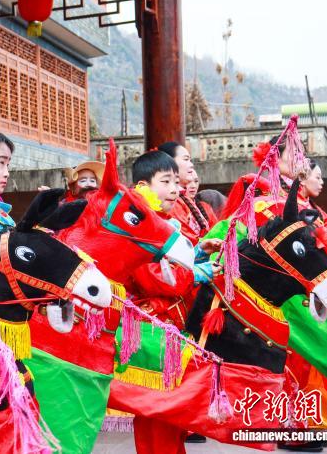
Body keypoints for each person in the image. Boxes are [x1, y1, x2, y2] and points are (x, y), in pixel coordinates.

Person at [126, 150, 222, 454]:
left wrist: (199, 254)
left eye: (175, 182)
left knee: (172, 414)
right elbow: (152, 277)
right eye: (166, 181)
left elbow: (172, 264)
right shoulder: (137, 225)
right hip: (153, 330)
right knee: (157, 412)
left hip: (171, 326)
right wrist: (196, 274)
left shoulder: (161, 222)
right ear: (142, 186)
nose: (175, 189)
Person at [158, 142, 216, 245]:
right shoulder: (171, 201)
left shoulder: (184, 199)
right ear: (169, 163)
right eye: (186, 159)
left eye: (196, 181)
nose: (191, 164)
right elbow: (188, 243)